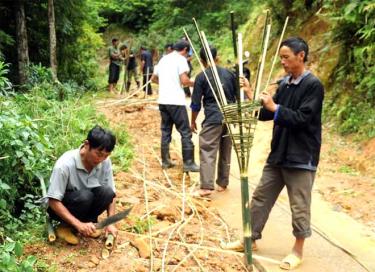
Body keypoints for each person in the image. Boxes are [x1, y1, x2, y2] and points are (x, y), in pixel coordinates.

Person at [225, 37, 324, 270]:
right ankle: (250, 239)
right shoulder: (285, 84)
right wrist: (251, 95)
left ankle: (297, 250)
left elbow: (302, 118)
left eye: (286, 57)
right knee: (260, 197)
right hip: (279, 152)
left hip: (301, 156)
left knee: (299, 205)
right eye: (281, 57)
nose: (282, 62)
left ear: (301, 56)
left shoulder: (313, 85)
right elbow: (266, 115)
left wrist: (275, 107)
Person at [190, 45, 252, 197]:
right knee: (226, 149)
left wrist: (193, 121)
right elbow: (239, 97)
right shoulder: (230, 74)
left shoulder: (202, 76)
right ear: (217, 58)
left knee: (208, 150)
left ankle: (206, 186)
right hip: (229, 116)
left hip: (213, 117)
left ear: (203, 60)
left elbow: (196, 104)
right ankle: (222, 183)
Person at [47, 126, 118, 245]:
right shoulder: (65, 165)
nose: (101, 159)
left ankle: (88, 224)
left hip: (85, 203)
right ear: (86, 145)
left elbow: (112, 196)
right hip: (64, 207)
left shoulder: (105, 161)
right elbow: (53, 201)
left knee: (107, 192)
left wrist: (111, 223)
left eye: (106, 155)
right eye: (98, 154)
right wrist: (77, 224)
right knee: (85, 196)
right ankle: (65, 226)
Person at [151, 40, 199, 172]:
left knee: (166, 130)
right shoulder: (181, 60)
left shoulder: (163, 59)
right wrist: (196, 84)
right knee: (185, 131)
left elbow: (153, 79)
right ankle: (189, 163)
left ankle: (166, 161)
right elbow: (184, 81)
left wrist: (166, 83)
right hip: (176, 101)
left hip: (163, 101)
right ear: (185, 49)